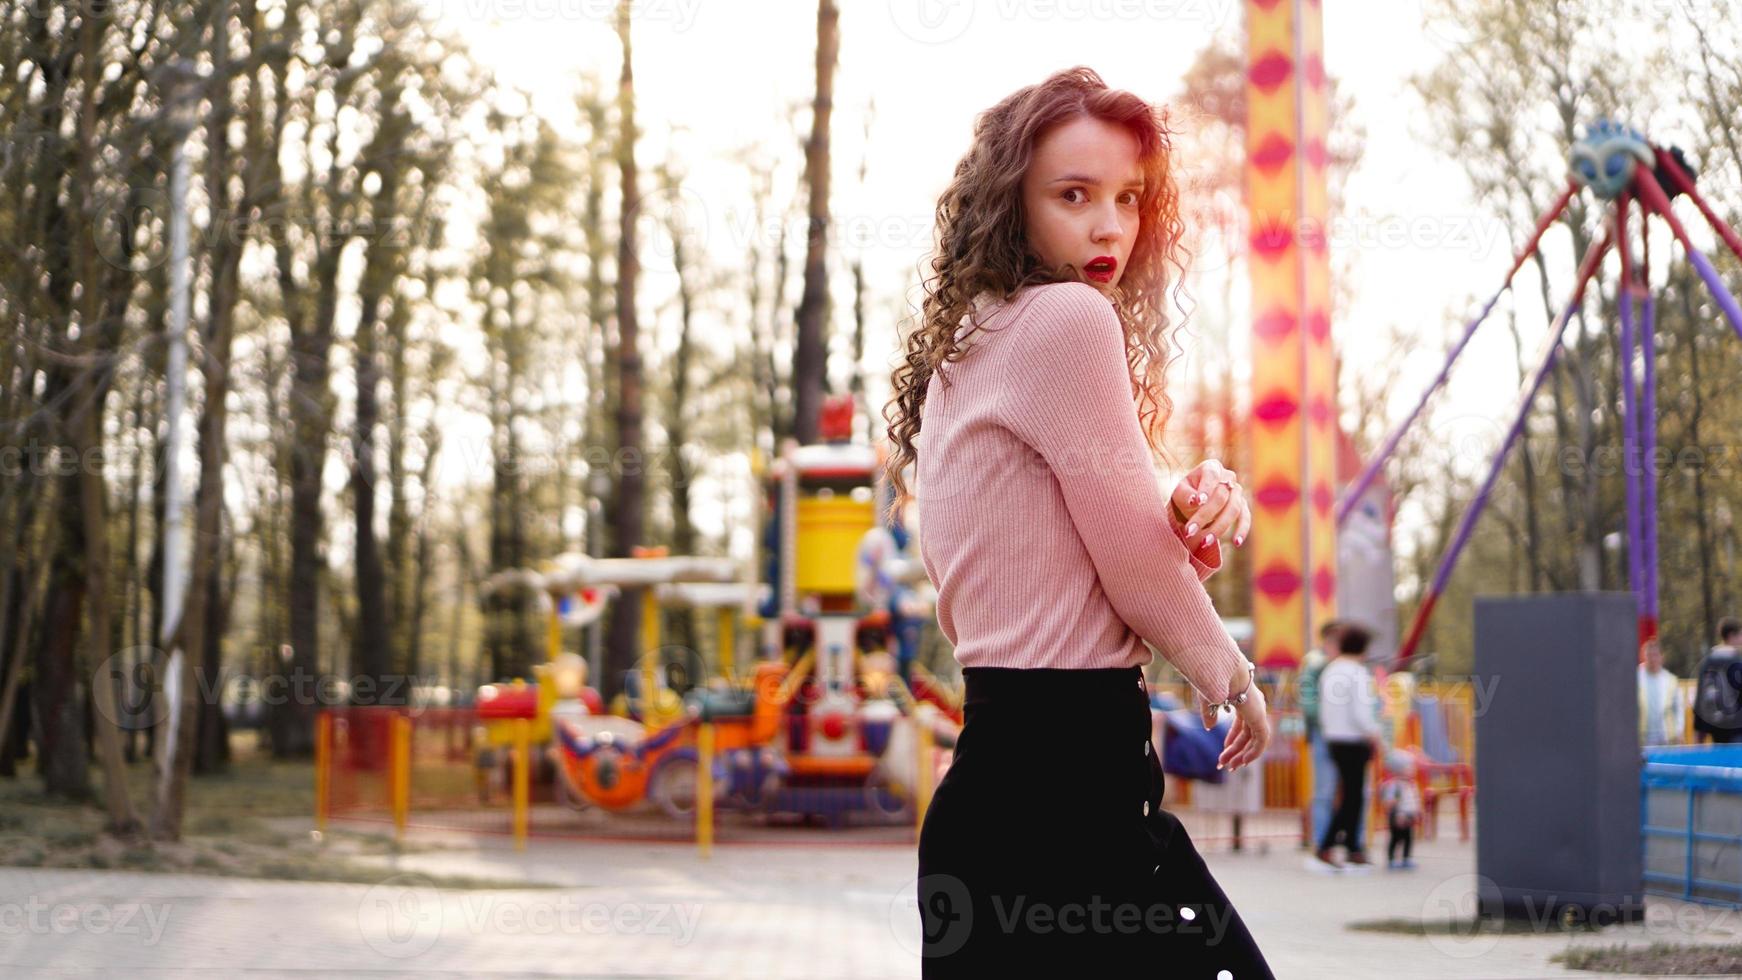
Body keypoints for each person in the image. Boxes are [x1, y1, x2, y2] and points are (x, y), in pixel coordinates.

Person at [884, 67, 1275, 975]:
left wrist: (1180, 506)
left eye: (1129, 197)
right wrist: (1232, 677)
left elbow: (1061, 554)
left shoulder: (966, 348)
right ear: (1008, 204)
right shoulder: (1070, 321)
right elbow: (1133, 569)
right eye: (1073, 195)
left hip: (994, 795)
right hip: (1071, 802)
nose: (1110, 225)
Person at [1314, 622, 1384, 872]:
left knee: (1347, 795)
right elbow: (1361, 712)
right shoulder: (1358, 673)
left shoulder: (1330, 670)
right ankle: (1331, 844)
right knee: (1353, 797)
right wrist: (1374, 734)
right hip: (1354, 741)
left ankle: (1352, 846)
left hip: (1333, 739)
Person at [1300, 619, 1360, 858]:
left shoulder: (1348, 666)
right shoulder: (1316, 666)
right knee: (1325, 790)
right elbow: (1308, 700)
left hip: (1346, 734)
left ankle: (1353, 841)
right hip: (1326, 733)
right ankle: (1322, 842)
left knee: (1355, 790)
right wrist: (1329, 719)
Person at [1694, 618, 1742, 745]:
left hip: (1716, 728)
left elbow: (1701, 697)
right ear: (1732, 636)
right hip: (1737, 728)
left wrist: (1699, 730)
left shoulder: (1708, 662)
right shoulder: (1737, 661)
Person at [1378, 749, 1421, 870]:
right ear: (1399, 769)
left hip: (1408, 815)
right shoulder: (1394, 785)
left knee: (1408, 837)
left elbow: (1414, 800)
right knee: (1395, 838)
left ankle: (1406, 858)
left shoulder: (1411, 784)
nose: (1413, 769)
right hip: (1397, 816)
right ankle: (1391, 859)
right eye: (1409, 767)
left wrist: (1416, 812)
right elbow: (1390, 802)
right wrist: (1396, 814)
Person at [1637, 638, 1684, 747]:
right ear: (1643, 656)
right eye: (1649, 655)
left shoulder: (1671, 679)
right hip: (1643, 736)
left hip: (1667, 736)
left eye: (1655, 655)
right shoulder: (1637, 678)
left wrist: (1679, 731)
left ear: (1661, 657)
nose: (1653, 659)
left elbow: (1678, 709)